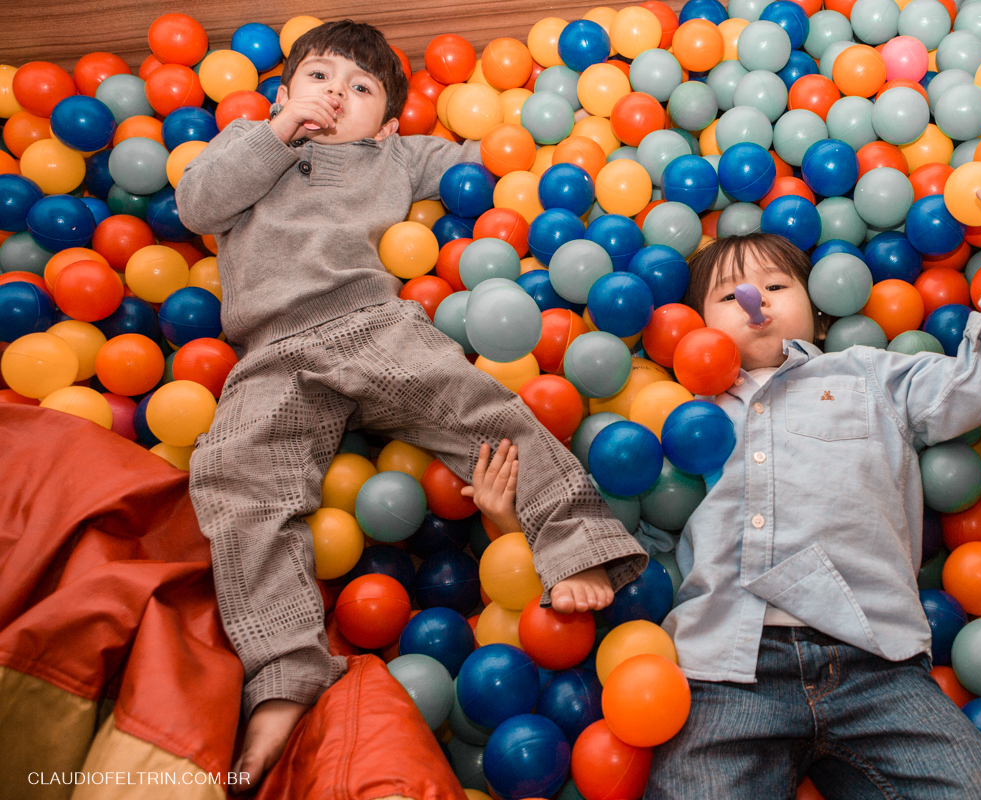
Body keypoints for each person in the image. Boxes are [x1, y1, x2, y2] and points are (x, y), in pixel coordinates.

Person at [174, 20, 646, 792]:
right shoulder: (250, 141)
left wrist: (557, 135)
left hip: (370, 325)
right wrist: (274, 133)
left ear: (388, 121)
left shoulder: (395, 156)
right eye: (319, 79)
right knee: (236, 482)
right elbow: (198, 206)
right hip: (271, 354)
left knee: (479, 408)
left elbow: (489, 164)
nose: (336, 97)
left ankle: (576, 539)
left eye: (360, 90)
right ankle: (284, 677)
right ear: (283, 92)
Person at [644, 188, 981, 800]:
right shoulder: (678, 412)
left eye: (776, 287)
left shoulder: (867, 373)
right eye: (729, 295)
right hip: (726, 666)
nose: (755, 300)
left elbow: (980, 382)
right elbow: (643, 517)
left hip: (875, 660)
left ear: (818, 308)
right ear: (696, 325)